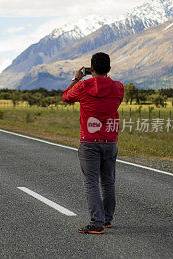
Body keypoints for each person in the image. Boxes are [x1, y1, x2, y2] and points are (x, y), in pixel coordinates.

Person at [62, 52, 124, 234]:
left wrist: (76, 78)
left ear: (92, 69)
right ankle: (107, 220)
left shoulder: (82, 86)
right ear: (109, 69)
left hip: (89, 141)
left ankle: (96, 223)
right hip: (110, 141)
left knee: (91, 182)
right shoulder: (118, 87)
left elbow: (65, 97)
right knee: (108, 181)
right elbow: (115, 97)